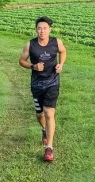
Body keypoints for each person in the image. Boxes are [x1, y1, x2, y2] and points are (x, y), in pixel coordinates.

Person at [19, 16, 66, 162]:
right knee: (40, 115)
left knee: (49, 113)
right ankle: (44, 130)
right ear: (36, 30)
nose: (42, 31)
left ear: (49, 29)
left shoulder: (56, 42)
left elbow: (63, 52)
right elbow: (21, 61)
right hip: (37, 84)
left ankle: (49, 148)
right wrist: (33, 66)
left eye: (45, 28)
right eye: (39, 28)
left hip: (52, 82)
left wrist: (61, 64)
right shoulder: (30, 45)